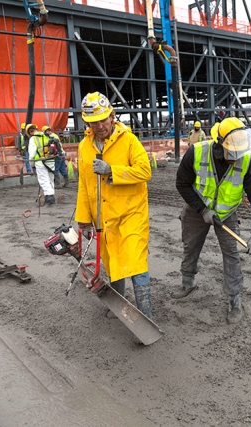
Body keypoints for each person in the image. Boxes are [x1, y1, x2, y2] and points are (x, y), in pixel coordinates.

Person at [174, 117, 251, 324]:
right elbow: (182, 183)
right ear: (219, 145)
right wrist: (202, 209)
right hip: (197, 208)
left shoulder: (244, 159)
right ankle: (188, 283)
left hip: (226, 213)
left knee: (231, 255)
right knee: (190, 247)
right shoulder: (196, 152)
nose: (236, 157)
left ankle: (235, 300)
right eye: (231, 151)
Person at [75, 92, 153, 319]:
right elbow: (84, 184)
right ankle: (120, 306)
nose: (100, 126)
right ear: (86, 123)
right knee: (112, 261)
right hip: (104, 217)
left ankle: (145, 315)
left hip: (131, 214)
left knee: (135, 262)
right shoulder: (84, 147)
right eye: (93, 122)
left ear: (112, 116)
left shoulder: (129, 141)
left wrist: (112, 170)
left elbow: (145, 171)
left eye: (103, 119)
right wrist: (84, 218)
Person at [27, 124, 57, 205]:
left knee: (44, 180)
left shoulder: (33, 139)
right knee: (50, 180)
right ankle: (49, 197)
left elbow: (32, 154)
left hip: (40, 162)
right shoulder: (47, 135)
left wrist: (32, 164)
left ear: (29, 132)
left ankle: (50, 199)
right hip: (50, 161)